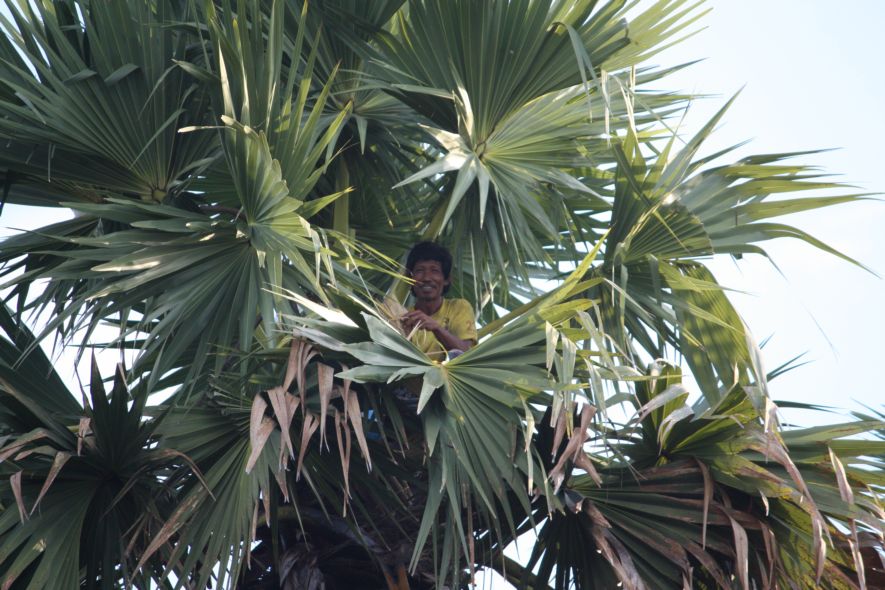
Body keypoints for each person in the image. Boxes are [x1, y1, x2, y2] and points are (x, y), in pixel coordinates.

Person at [401, 242, 477, 360]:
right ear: (410, 279)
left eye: (434, 270)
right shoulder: (402, 317)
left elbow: (467, 354)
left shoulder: (459, 307)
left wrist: (436, 328)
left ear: (446, 279)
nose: (426, 278)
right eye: (420, 270)